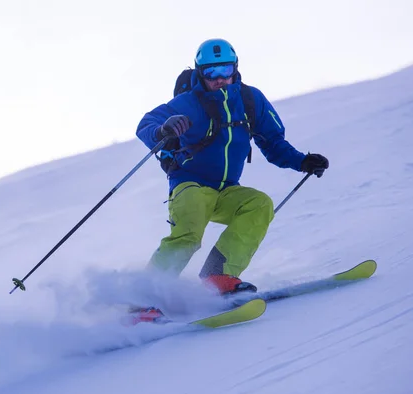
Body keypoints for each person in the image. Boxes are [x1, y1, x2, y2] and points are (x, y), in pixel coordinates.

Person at [135, 38, 329, 299]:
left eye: (225, 70)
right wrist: (163, 129)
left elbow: (273, 142)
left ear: (235, 68)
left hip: (226, 190)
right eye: (211, 73)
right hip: (189, 184)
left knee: (258, 204)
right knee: (189, 234)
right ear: (199, 73)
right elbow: (147, 123)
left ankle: (218, 275)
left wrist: (302, 161)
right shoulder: (189, 103)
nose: (219, 78)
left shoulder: (250, 100)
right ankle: (143, 299)